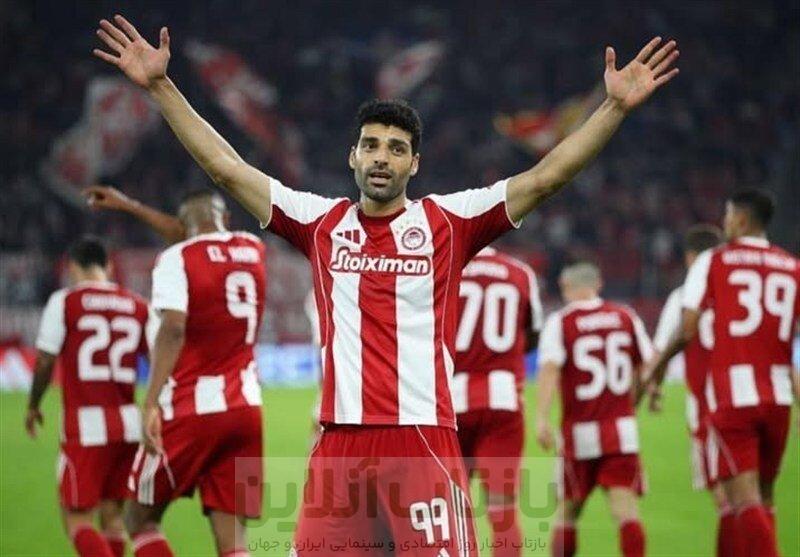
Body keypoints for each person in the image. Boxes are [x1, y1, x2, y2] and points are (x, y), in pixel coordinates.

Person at [92, 14, 678, 553]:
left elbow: (546, 176)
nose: (381, 158)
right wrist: (161, 88)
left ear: (414, 164)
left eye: (397, 149)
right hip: (339, 447)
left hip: (421, 440)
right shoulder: (319, 223)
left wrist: (613, 109)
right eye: (371, 145)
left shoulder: (449, 222)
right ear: (352, 156)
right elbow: (227, 169)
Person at [645, 190, 799, 557]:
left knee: (741, 499)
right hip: (778, 397)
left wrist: (660, 368)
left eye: (728, 215)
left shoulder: (714, 260)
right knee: (765, 497)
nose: (725, 222)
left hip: (733, 396)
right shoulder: (791, 267)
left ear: (741, 220)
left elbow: (687, 330)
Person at [124, 189, 267, 557]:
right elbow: (205, 244)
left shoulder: (176, 258)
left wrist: (150, 402)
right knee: (233, 541)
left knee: (138, 519)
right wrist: (129, 205)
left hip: (190, 408)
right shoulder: (254, 249)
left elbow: (173, 328)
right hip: (246, 409)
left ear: (183, 225)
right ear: (225, 219)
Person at [25, 236, 151, 557]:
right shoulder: (137, 304)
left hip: (85, 427)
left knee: (77, 519)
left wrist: (33, 405)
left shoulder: (65, 301)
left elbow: (45, 360)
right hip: (129, 426)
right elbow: (157, 358)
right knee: (113, 518)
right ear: (108, 266)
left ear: (72, 267)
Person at [535, 262, 653, 557]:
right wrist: (637, 398)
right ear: (598, 284)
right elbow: (647, 367)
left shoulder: (561, 322)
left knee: (567, 513)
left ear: (565, 287)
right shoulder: (625, 316)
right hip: (621, 433)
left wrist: (541, 418)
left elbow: (550, 369)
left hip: (579, 435)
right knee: (625, 511)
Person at [645, 224, 736, 556]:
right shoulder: (738, 289)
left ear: (689, 258)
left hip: (707, 407)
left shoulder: (683, 296)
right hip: (747, 398)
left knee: (726, 498)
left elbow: (662, 349)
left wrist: (652, 384)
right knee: (751, 492)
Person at [451, 246, 543, 556]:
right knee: (502, 509)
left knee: (450, 507)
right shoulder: (520, 272)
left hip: (451, 402)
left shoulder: (447, 265)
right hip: (503, 400)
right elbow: (533, 333)